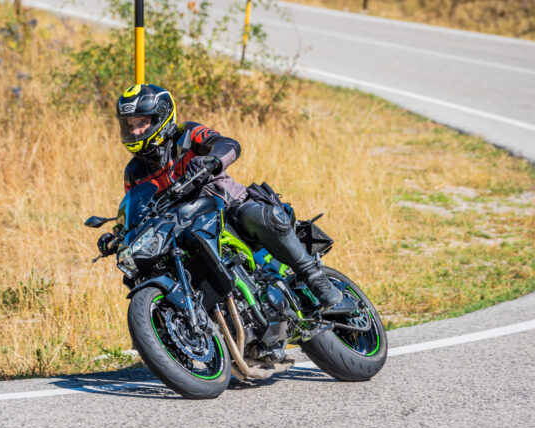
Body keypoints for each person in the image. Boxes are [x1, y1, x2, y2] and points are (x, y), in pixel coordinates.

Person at [97, 84, 355, 314]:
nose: (135, 130)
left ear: (161, 118)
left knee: (260, 216)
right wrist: (119, 234)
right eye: (130, 125)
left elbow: (228, 144)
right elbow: (135, 209)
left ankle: (316, 279)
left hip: (227, 207)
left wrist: (212, 159)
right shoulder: (134, 171)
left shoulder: (186, 134)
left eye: (142, 122)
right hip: (182, 228)